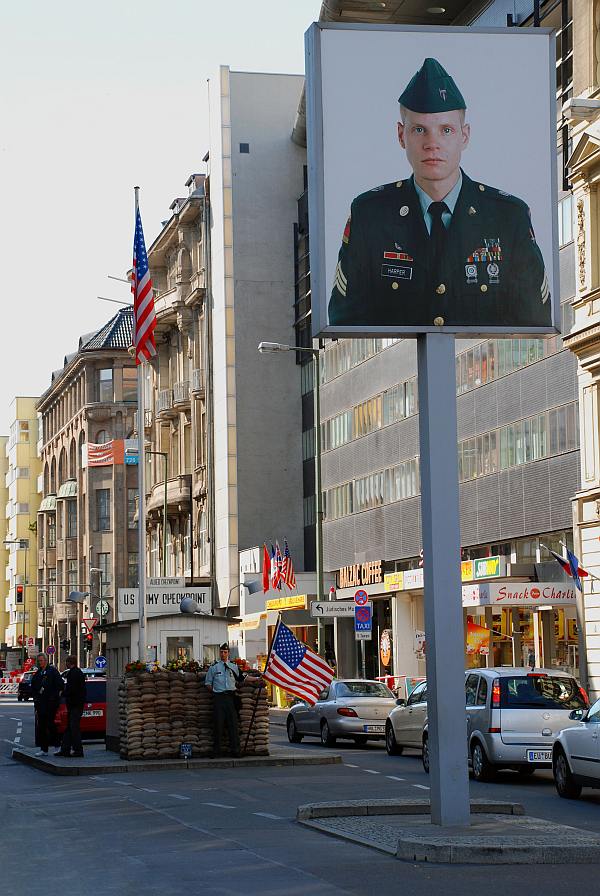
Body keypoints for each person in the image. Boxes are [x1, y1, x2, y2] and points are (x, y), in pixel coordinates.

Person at [328, 57, 550, 330]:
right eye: (419, 130)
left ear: (464, 136)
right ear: (401, 135)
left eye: (446, 130)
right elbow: (346, 322)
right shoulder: (370, 215)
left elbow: (535, 323)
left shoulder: (507, 217)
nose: (432, 144)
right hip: (406, 372)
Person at [205, 644, 244, 757]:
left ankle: (235, 750)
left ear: (228, 653)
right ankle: (217, 751)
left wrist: (257, 679)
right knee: (218, 724)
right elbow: (208, 683)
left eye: (225, 652)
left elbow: (242, 678)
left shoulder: (234, 666)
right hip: (219, 698)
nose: (223, 654)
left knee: (233, 725)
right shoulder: (214, 667)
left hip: (231, 698)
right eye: (221, 652)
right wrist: (216, 692)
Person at [30, 653, 63, 756]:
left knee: (50, 724)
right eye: (39, 661)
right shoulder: (38, 673)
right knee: (42, 726)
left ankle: (57, 746)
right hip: (41, 704)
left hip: (50, 703)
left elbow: (60, 685)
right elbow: (34, 687)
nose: (40, 663)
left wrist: (54, 697)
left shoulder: (52, 671)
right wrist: (36, 699)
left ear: (46, 660)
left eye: (42, 660)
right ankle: (44, 749)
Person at [55, 655, 87, 758]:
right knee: (69, 728)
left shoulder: (72, 673)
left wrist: (62, 693)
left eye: (66, 662)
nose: (65, 664)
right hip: (77, 704)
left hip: (74, 705)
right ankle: (65, 749)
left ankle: (78, 750)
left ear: (69, 662)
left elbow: (71, 689)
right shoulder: (79, 672)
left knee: (74, 728)